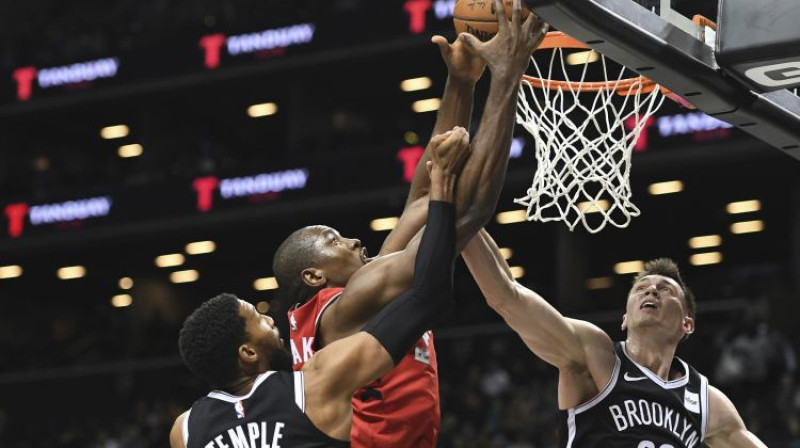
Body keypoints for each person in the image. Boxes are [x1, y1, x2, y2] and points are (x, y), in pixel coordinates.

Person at [273, 1, 549, 446]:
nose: (353, 239)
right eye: (333, 239)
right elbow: (470, 208)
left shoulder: (354, 302)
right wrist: (507, 74)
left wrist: (461, 83)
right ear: (313, 275)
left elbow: (423, 200)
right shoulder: (349, 305)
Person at [169, 124, 468, 448]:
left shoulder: (185, 430)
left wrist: (460, 87)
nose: (271, 319)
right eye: (259, 318)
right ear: (248, 352)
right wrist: (446, 184)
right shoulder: (313, 380)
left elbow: (417, 214)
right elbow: (427, 289)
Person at [461, 229, 768, 447]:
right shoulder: (595, 355)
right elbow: (507, 296)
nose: (650, 290)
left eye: (665, 289)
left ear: (687, 324)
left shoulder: (707, 402)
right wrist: (464, 217)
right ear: (625, 319)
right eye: (641, 288)